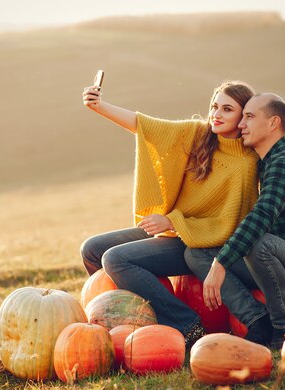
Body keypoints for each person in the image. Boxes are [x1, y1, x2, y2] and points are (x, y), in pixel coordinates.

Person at [80, 80, 260, 346]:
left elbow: (228, 226)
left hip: (198, 244)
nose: (216, 114)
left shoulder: (245, 165)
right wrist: (99, 107)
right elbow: (147, 127)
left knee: (115, 259)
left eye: (227, 109)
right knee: (92, 249)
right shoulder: (200, 134)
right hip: (172, 232)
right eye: (214, 106)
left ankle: (188, 326)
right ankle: (121, 319)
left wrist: (172, 221)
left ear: (243, 117)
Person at [184, 93, 285, 350]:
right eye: (242, 117)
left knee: (258, 243)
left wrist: (221, 263)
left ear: (273, 123)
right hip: (282, 267)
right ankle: (257, 319)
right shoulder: (265, 161)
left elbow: (262, 215)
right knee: (197, 252)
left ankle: (282, 331)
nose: (241, 124)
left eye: (249, 117)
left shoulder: (284, 161)